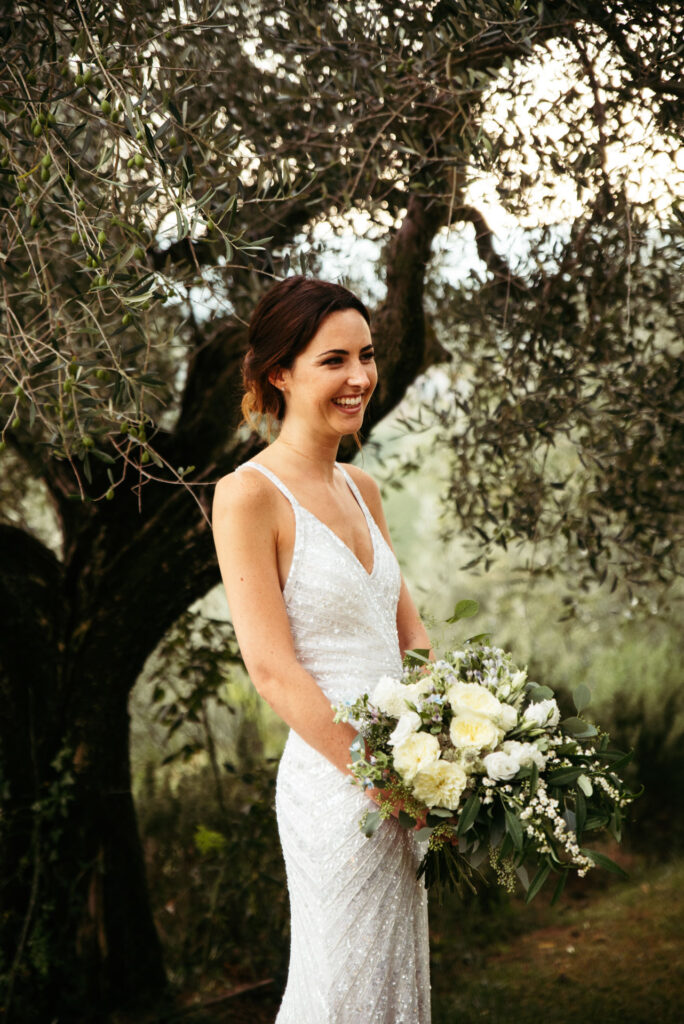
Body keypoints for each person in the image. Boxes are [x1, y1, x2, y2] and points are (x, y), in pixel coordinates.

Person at [212, 275, 432, 1023]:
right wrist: (382, 782)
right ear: (279, 371)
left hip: (407, 778)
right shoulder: (248, 496)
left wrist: (444, 754)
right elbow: (272, 669)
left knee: (394, 989)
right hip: (338, 790)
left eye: (366, 356)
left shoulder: (363, 488)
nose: (361, 377)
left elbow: (412, 637)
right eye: (334, 359)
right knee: (340, 992)